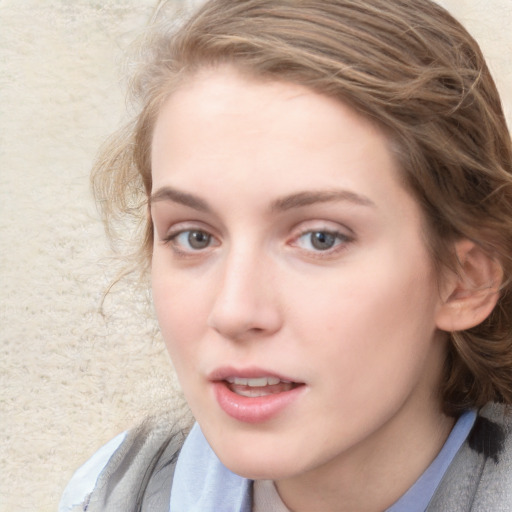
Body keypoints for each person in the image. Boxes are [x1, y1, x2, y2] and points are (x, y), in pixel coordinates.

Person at [59, 0, 512, 510]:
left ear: (464, 280)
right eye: (194, 237)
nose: (233, 311)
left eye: (321, 237)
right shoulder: (109, 493)